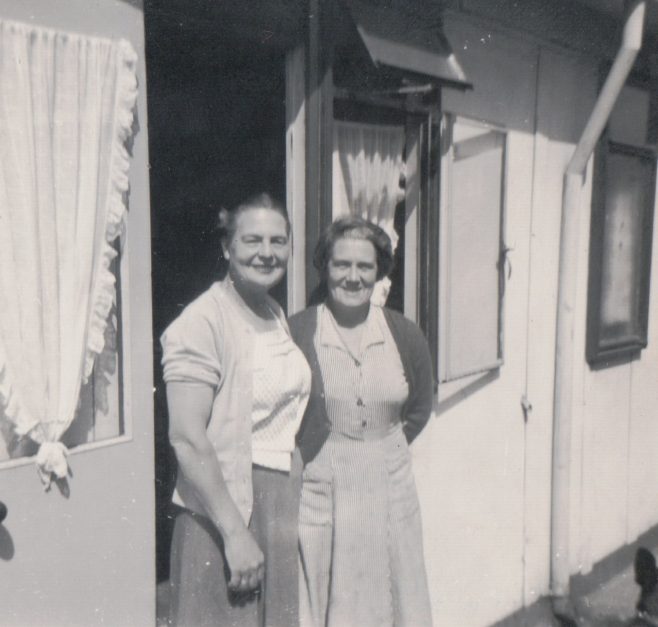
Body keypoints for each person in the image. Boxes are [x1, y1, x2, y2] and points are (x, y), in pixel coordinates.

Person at [161, 193, 311, 626]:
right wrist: (233, 532)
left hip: (276, 501)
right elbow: (187, 439)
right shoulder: (202, 321)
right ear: (227, 247)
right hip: (222, 508)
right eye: (252, 240)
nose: (267, 252)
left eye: (278, 241)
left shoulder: (271, 310)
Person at [289, 216, 434, 627]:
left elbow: (420, 408)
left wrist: (380, 447)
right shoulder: (298, 332)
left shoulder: (404, 334)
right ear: (325, 267)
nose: (353, 277)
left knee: (395, 592)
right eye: (342, 265)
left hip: (390, 479)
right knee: (325, 590)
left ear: (379, 272)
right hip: (323, 482)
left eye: (364, 267)